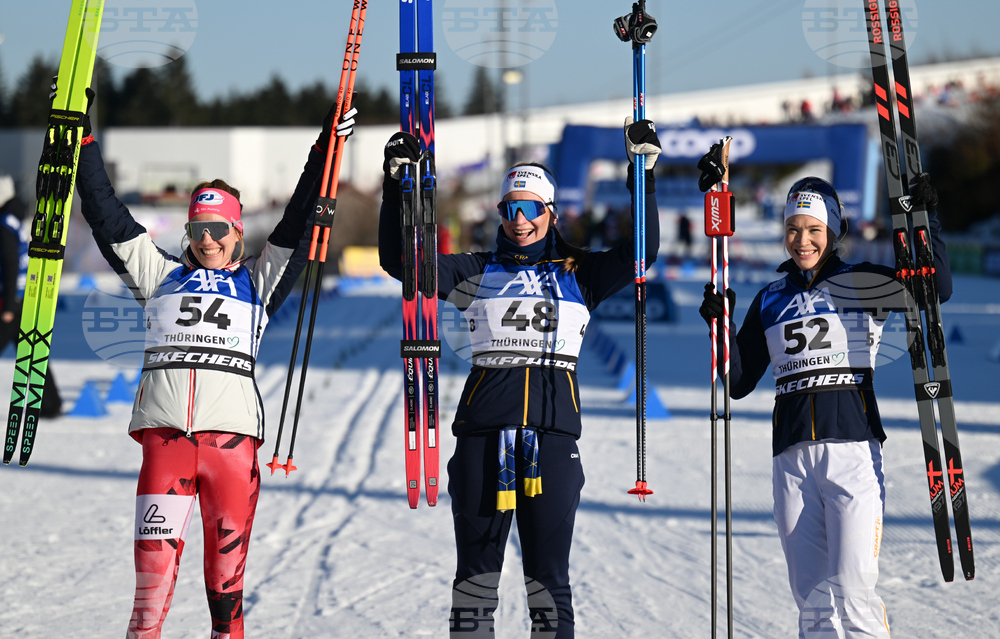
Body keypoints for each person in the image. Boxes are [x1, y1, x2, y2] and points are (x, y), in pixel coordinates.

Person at [74, 93, 355, 638]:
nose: (206, 239)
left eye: (218, 229)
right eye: (198, 228)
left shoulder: (259, 279)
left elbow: (300, 215)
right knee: (149, 600)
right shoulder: (156, 275)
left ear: (236, 231)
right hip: (168, 446)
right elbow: (106, 214)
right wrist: (83, 142)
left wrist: (326, 147)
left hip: (232, 451)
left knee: (226, 596)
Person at [378, 118, 661, 638]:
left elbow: (640, 253)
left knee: (548, 586)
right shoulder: (474, 271)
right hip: (484, 438)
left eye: (530, 208)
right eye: (510, 209)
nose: (519, 220)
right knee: (475, 586)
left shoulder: (579, 272)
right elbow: (402, 263)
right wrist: (396, 185)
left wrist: (640, 174)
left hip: (552, 440)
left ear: (551, 213)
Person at [698, 175, 951, 638]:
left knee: (854, 595)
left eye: (814, 229)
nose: (803, 240)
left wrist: (926, 222)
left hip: (852, 454)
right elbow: (737, 383)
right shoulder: (770, 299)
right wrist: (720, 326)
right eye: (794, 229)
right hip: (791, 461)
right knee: (813, 603)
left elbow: (934, 290)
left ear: (833, 230)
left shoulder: (860, 282)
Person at [0, 176, 62, 416]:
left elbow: (9, 262)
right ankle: (50, 404)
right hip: (27, 296)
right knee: (34, 352)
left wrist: (9, 303)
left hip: (12, 300)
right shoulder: (16, 219)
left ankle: (50, 404)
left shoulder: (4, 223)